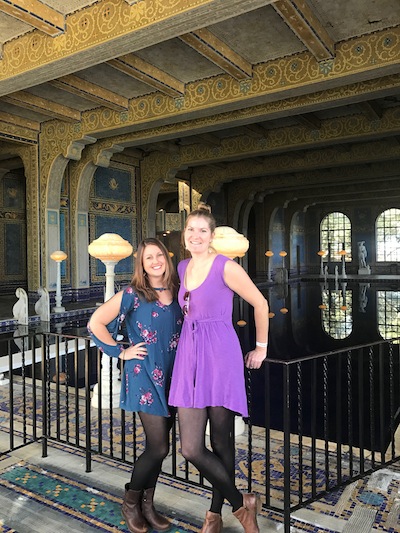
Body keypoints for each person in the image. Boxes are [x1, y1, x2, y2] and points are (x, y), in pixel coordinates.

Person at [169, 205, 269, 533]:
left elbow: (260, 303)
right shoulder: (182, 266)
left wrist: (261, 348)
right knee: (190, 448)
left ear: (211, 236)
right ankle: (243, 504)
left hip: (220, 354)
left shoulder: (225, 266)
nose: (195, 236)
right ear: (184, 236)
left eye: (202, 231)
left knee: (222, 442)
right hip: (190, 356)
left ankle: (214, 514)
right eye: (190, 230)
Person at [88, 238, 182, 533]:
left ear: (167, 259)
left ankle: (147, 505)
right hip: (144, 375)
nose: (155, 261)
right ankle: (130, 502)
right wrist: (121, 351)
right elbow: (95, 323)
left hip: (172, 376)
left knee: (161, 449)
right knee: (158, 447)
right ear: (141, 264)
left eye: (159, 256)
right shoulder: (132, 294)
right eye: (148, 258)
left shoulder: (178, 292)